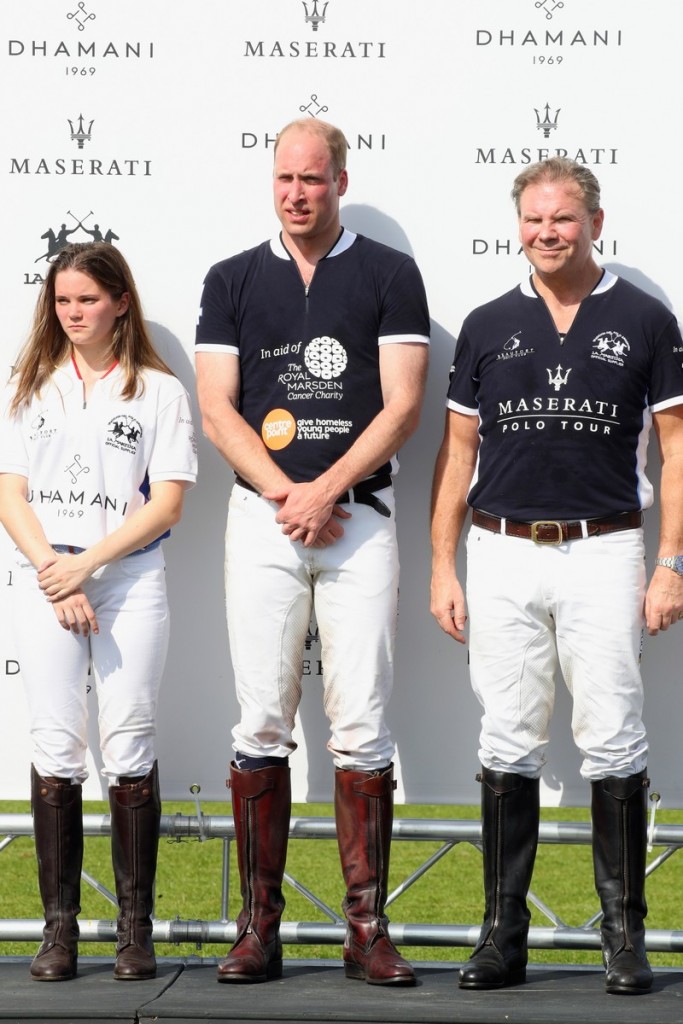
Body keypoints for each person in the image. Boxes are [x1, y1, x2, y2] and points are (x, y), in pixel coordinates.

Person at [430, 157, 683, 996]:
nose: (547, 233)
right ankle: (503, 936)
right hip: (498, 550)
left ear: (595, 223)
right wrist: (441, 562)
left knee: (613, 740)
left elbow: (676, 450)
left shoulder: (646, 319)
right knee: (506, 740)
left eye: (563, 219)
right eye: (534, 220)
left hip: (605, 549)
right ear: (518, 227)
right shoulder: (486, 322)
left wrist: (670, 562)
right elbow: (458, 450)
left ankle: (623, 938)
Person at [195, 118, 429, 986]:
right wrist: (285, 495)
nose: (297, 192)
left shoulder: (388, 272)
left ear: (340, 179)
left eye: (313, 179)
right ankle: (261, 927)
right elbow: (218, 410)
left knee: (362, 722)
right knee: (261, 719)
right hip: (264, 521)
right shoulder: (232, 277)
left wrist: (327, 488)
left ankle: (366, 930)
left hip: (358, 517)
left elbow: (402, 405)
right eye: (285, 178)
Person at [0, 242, 197, 982]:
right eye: (62, 301)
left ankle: (133, 931)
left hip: (128, 580)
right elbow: (8, 491)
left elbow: (170, 501)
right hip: (42, 575)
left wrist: (90, 565)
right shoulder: (30, 384)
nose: (73, 313)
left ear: (119, 301)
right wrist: (57, 569)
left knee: (129, 743)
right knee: (55, 745)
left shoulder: (158, 391)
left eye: (87, 299)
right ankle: (59, 933)